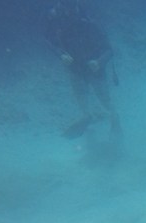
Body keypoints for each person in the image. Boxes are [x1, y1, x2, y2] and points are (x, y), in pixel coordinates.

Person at [45, 0, 121, 138]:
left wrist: (99, 62)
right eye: (64, 8)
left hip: (95, 70)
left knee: (106, 101)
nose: (66, 12)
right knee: (82, 101)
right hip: (75, 70)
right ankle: (89, 125)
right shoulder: (59, 24)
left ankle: (116, 126)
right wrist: (61, 55)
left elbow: (109, 49)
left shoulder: (90, 23)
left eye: (69, 8)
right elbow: (50, 43)